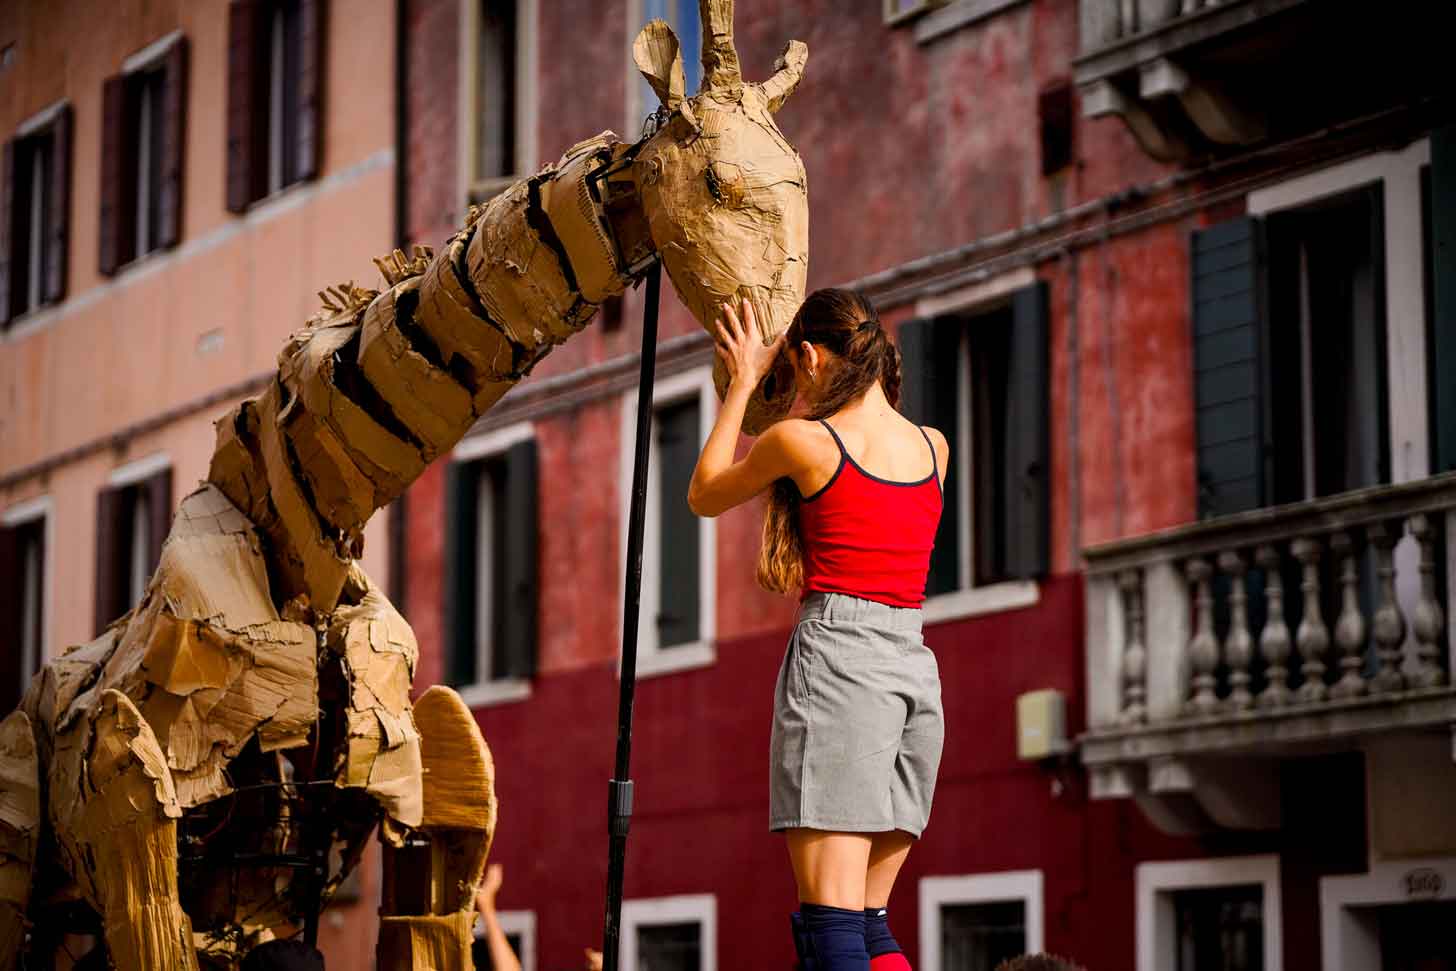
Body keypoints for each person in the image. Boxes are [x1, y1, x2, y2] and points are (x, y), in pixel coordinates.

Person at [688, 289, 948, 971]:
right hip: (913, 671)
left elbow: (705, 491)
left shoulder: (803, 442)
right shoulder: (934, 448)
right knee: (870, 925)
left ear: (807, 356)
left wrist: (744, 381)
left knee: (832, 926)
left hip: (841, 665)